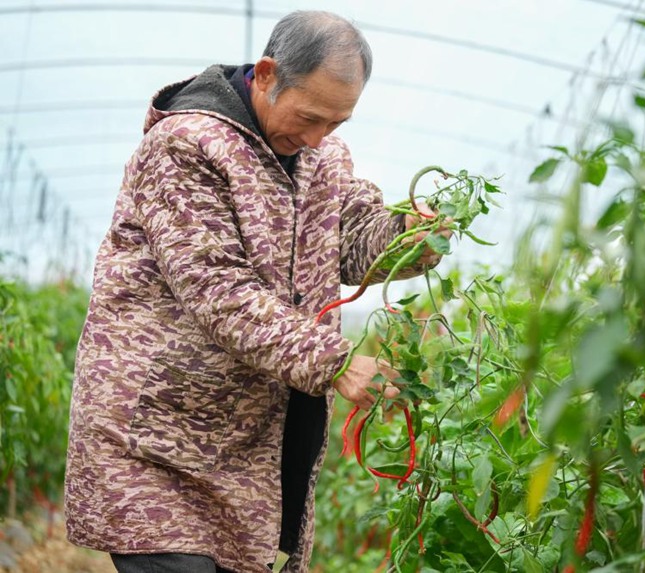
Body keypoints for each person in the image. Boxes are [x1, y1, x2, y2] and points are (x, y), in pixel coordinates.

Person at [64, 11, 447, 573]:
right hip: (160, 434)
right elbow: (218, 288)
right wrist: (334, 362)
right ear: (267, 75)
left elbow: (352, 245)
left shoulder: (322, 156)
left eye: (337, 124)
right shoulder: (185, 146)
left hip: (248, 442)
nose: (319, 138)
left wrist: (412, 237)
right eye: (312, 116)